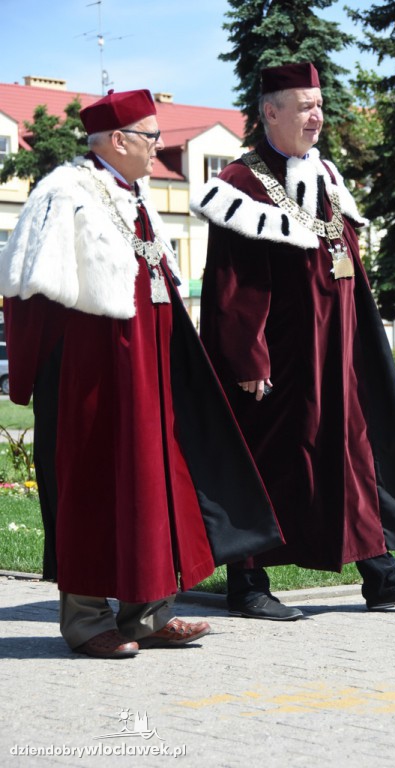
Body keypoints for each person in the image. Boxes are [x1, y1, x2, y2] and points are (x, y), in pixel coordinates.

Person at [0, 88, 282, 657]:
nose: (157, 146)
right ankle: (85, 622)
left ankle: (147, 614)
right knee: (92, 485)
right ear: (117, 139)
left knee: (152, 485)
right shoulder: (65, 193)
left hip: (149, 373)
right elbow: (27, 291)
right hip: (91, 377)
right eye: (151, 136)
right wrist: (33, 379)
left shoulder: (136, 197)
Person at [192, 62, 395, 621]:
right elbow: (235, 284)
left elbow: (344, 259)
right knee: (264, 461)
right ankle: (247, 584)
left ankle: (380, 573)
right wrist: (248, 356)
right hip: (278, 360)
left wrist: (361, 341)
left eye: (320, 105)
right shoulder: (241, 183)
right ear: (271, 112)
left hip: (336, 352)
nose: (317, 116)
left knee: (353, 455)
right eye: (305, 106)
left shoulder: (326, 174)